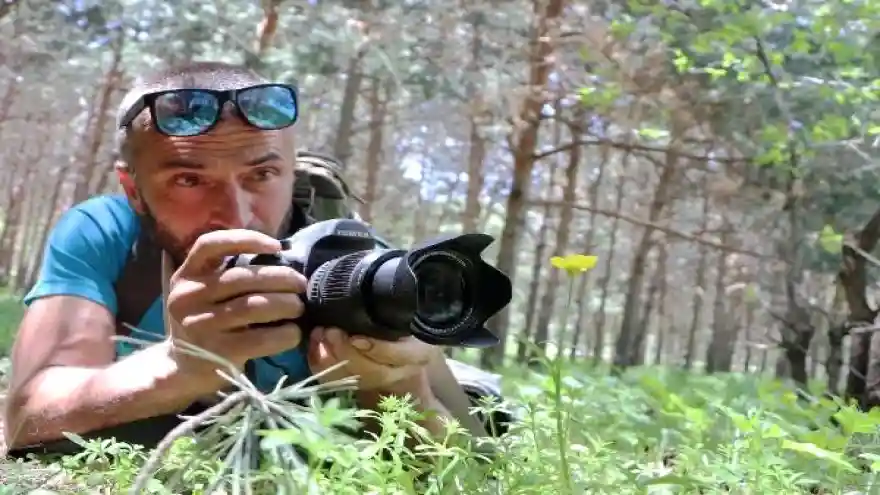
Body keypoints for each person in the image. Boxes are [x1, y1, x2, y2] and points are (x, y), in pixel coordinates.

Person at [3, 62, 500, 455]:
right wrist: (179, 367)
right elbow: (26, 416)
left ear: (290, 171)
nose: (236, 213)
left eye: (262, 175)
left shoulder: (351, 261)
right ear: (134, 189)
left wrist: (391, 385)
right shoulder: (106, 233)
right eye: (189, 180)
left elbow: (466, 465)